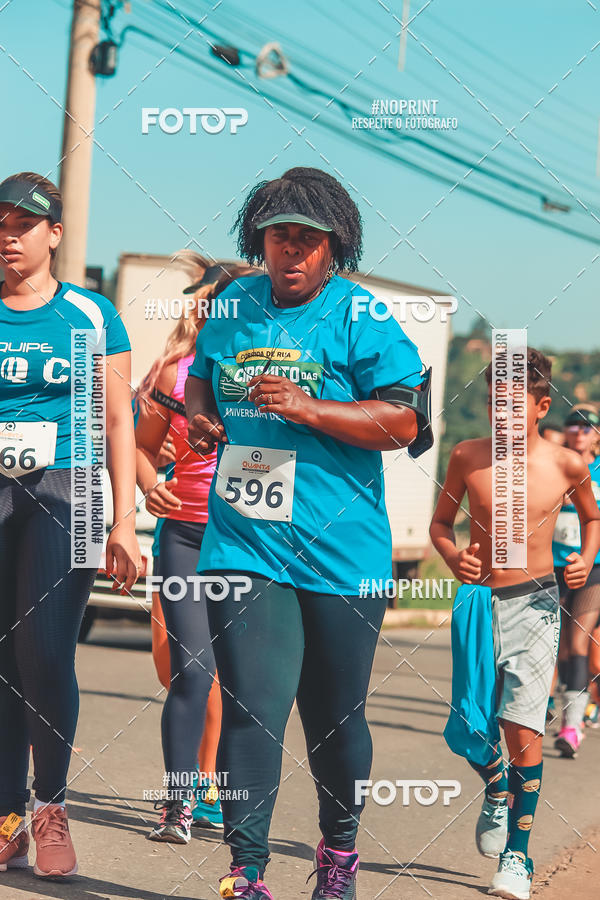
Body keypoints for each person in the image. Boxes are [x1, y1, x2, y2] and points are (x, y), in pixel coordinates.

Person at [185, 166, 432, 900]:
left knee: (333, 719)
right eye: (277, 236)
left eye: (306, 239)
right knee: (254, 706)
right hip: (245, 540)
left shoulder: (362, 316)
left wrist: (307, 408)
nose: (289, 252)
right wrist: (202, 416)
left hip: (342, 551)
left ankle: (339, 853)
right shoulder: (234, 303)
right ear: (257, 240)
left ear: (333, 248)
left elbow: (404, 422)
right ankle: (246, 871)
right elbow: (203, 375)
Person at [0, 172, 140, 877]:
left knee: (46, 658)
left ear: (53, 233)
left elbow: (119, 419)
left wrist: (125, 521)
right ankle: (4, 819)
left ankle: (49, 808)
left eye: (21, 226)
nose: (6, 237)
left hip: (72, 487)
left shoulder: (90, 314)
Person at [431, 349, 600, 900]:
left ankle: (517, 857)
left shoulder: (566, 464)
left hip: (538, 603)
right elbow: (440, 525)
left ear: (540, 405)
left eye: (512, 404)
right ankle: (496, 787)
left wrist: (583, 558)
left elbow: (593, 517)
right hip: (478, 604)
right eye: (491, 403)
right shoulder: (466, 455)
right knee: (472, 730)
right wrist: (454, 558)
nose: (500, 414)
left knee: (522, 724)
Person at [135, 261, 255, 843]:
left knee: (244, 680)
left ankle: (226, 804)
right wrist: (147, 483)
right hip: (184, 534)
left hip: (252, 541)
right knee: (187, 670)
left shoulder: (277, 377)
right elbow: (139, 449)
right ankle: (178, 803)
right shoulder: (174, 374)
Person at [552, 404, 600, 755]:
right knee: (553, 643)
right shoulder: (552, 465)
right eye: (574, 424)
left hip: (593, 565)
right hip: (549, 564)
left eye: (588, 426)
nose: (580, 431)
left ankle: (571, 727)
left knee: (579, 642)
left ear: (597, 436)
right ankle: (537, 712)